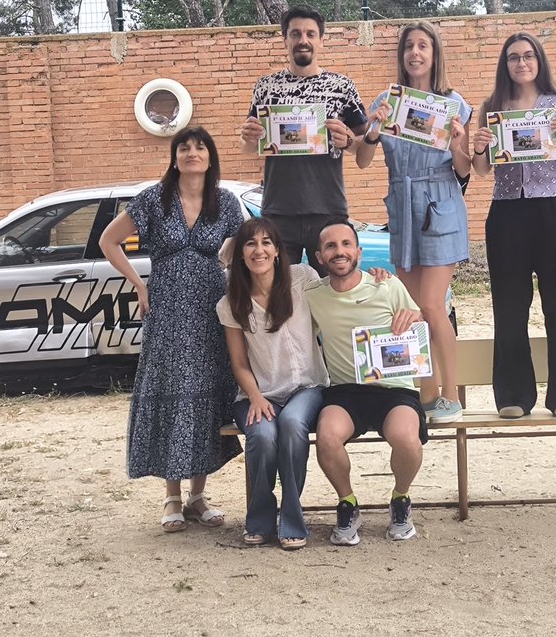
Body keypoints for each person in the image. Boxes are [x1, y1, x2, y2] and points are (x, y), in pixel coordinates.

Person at [99, 126, 245, 532]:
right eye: (184, 147)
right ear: (175, 156)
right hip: (167, 310)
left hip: (211, 309)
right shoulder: (153, 199)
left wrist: (231, 265)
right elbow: (110, 242)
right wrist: (138, 282)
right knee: (172, 391)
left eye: (200, 147)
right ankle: (172, 497)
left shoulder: (227, 202)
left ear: (211, 157)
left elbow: (242, 243)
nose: (192, 153)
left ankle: (199, 496)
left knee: (208, 394)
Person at [355, 21, 472, 424]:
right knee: (410, 306)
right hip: (402, 207)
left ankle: (452, 395)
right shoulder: (387, 100)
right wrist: (372, 131)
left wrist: (460, 145)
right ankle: (425, 394)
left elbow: (462, 169)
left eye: (423, 46)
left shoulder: (453, 102)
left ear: (435, 54)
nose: (415, 53)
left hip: (440, 203)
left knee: (432, 305)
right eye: (409, 46)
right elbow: (362, 160)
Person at [470, 32, 556, 418]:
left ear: (540, 61)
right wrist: (481, 145)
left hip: (555, 211)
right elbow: (483, 171)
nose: (522, 63)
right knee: (509, 307)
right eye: (514, 58)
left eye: (528, 56)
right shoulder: (493, 106)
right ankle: (513, 396)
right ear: (505, 65)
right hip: (507, 214)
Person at [305, 220, 426, 545]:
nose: (339, 251)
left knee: (406, 439)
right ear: (319, 257)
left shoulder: (386, 286)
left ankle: (401, 498)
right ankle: (348, 503)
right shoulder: (312, 296)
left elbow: (420, 325)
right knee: (327, 437)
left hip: (395, 390)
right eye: (330, 246)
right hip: (345, 393)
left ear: (358, 251)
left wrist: (416, 317)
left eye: (346, 244)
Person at [217, 217, 327, 550]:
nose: (259, 250)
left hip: (307, 387)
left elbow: (341, 292)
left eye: (267, 242)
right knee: (263, 435)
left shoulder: (302, 279)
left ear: (278, 251)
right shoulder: (231, 303)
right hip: (258, 392)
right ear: (240, 254)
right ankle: (261, 517)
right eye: (250, 244)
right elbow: (238, 363)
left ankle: (292, 519)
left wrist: (376, 279)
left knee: (293, 425)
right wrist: (255, 397)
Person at [239, 4, 369, 266]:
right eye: (296, 33)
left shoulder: (342, 87)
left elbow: (363, 144)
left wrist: (348, 142)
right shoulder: (266, 87)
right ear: (285, 39)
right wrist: (248, 138)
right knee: (281, 296)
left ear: (321, 41)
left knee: (332, 293)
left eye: (310, 34)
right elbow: (251, 148)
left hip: (328, 207)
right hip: (278, 209)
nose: (303, 40)